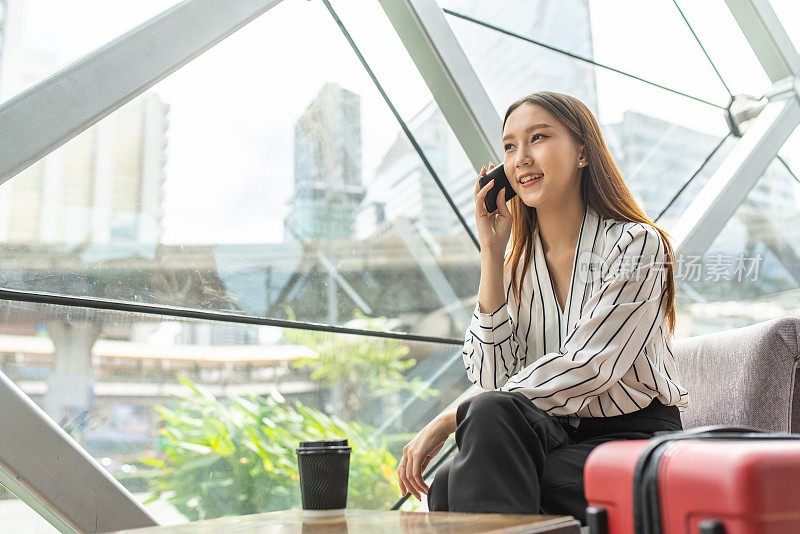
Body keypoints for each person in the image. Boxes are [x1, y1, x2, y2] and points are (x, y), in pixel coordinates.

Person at [396, 91, 689, 525]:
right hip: (550, 435)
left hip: (632, 435)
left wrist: (447, 419)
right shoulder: (517, 268)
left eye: (538, 138)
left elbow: (590, 366)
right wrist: (492, 255)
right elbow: (494, 381)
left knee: (456, 483)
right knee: (489, 418)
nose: (521, 158)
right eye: (510, 147)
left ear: (584, 152)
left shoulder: (636, 244)